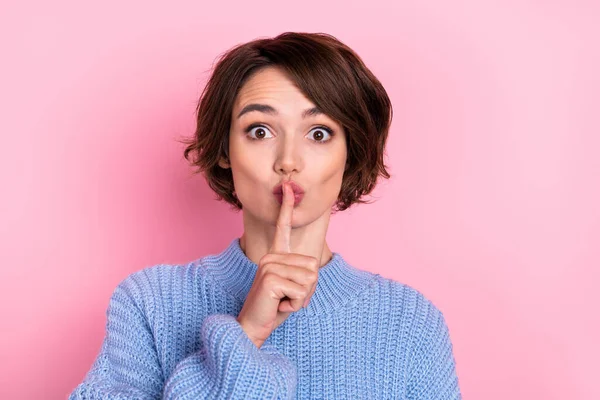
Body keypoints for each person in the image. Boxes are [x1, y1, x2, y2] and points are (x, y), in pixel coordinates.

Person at [69, 32, 462, 399]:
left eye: (319, 133)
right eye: (259, 131)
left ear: (351, 152)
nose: (288, 161)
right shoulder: (149, 302)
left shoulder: (410, 323)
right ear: (224, 150)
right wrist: (248, 333)